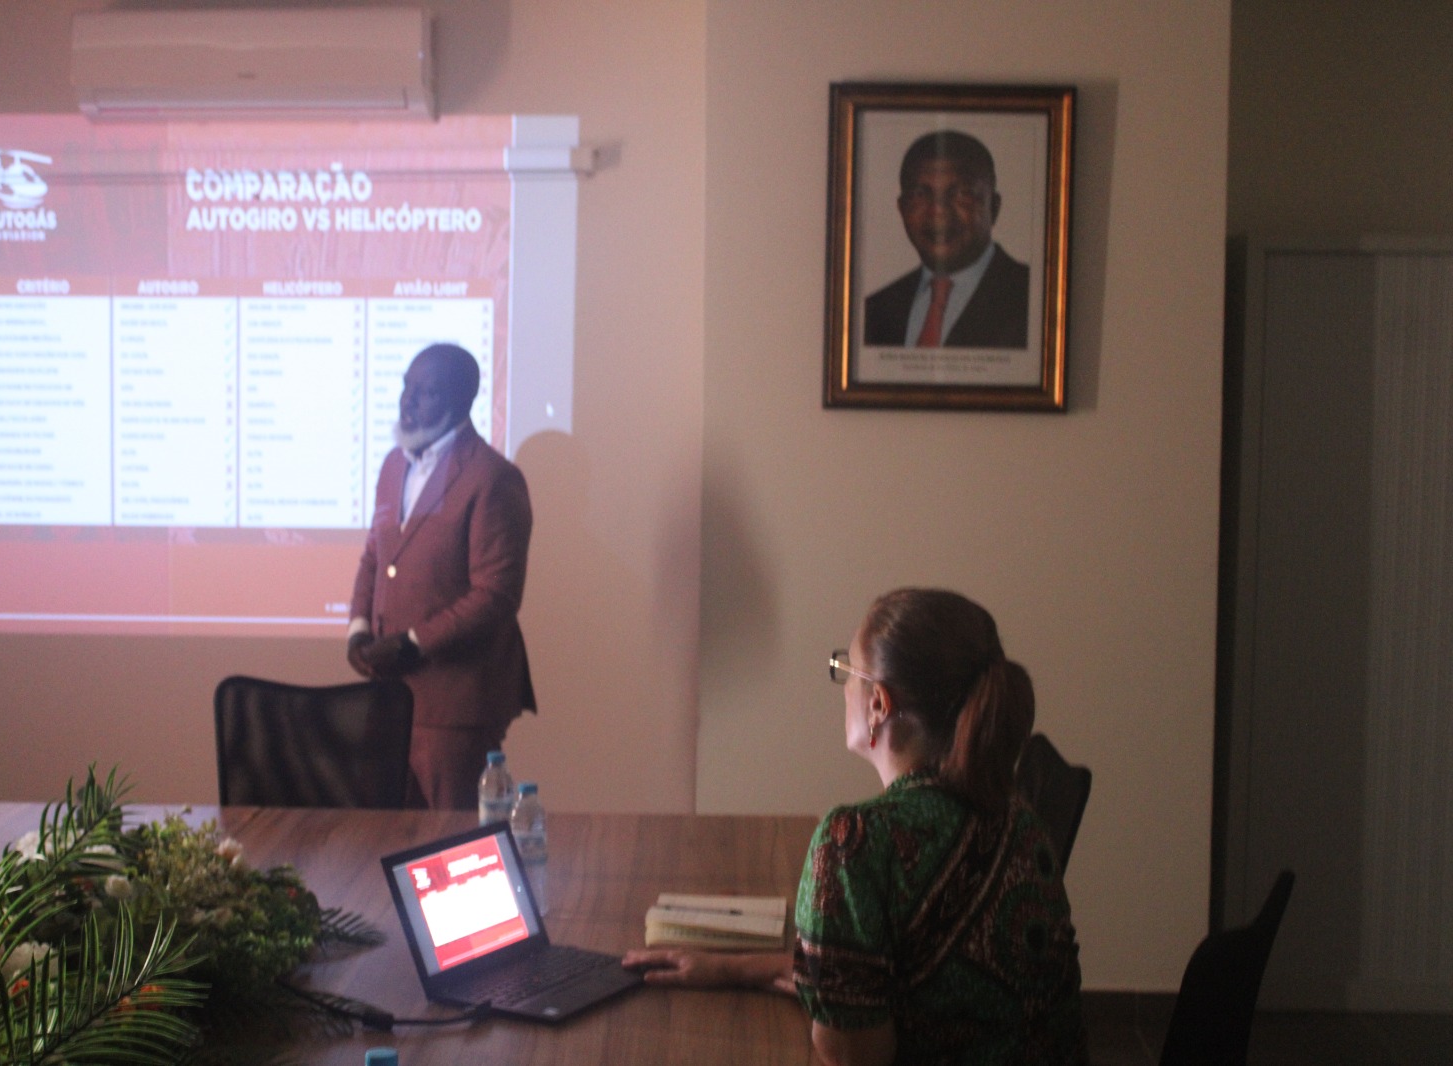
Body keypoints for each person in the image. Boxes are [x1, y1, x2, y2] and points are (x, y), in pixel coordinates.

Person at [624, 589, 1086, 1066]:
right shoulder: (1018, 817)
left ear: (879, 704)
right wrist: (728, 969)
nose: (843, 686)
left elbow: (852, 1054)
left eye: (847, 670)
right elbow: (870, 985)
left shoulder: (855, 845)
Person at [347, 343, 536, 810]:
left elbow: (496, 595)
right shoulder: (394, 465)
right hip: (387, 693)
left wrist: (413, 643)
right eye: (405, 387)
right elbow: (376, 556)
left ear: (460, 400)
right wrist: (358, 630)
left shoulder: (492, 477)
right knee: (384, 836)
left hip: (455, 703)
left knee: (454, 841)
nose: (407, 401)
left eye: (425, 392)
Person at [863, 131, 1031, 349]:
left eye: (962, 194)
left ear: (993, 207)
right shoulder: (876, 310)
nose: (938, 211)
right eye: (920, 194)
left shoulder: (1031, 298)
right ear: (902, 208)